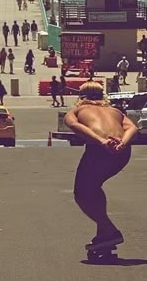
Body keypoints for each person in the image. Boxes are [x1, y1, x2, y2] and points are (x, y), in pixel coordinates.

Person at [64, 81, 137, 251]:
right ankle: (103, 233)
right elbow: (132, 127)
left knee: (81, 193)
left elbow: (76, 126)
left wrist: (102, 142)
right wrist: (122, 144)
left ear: (81, 97)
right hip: (122, 153)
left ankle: (109, 230)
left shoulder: (77, 111)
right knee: (94, 188)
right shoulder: (115, 111)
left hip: (99, 151)